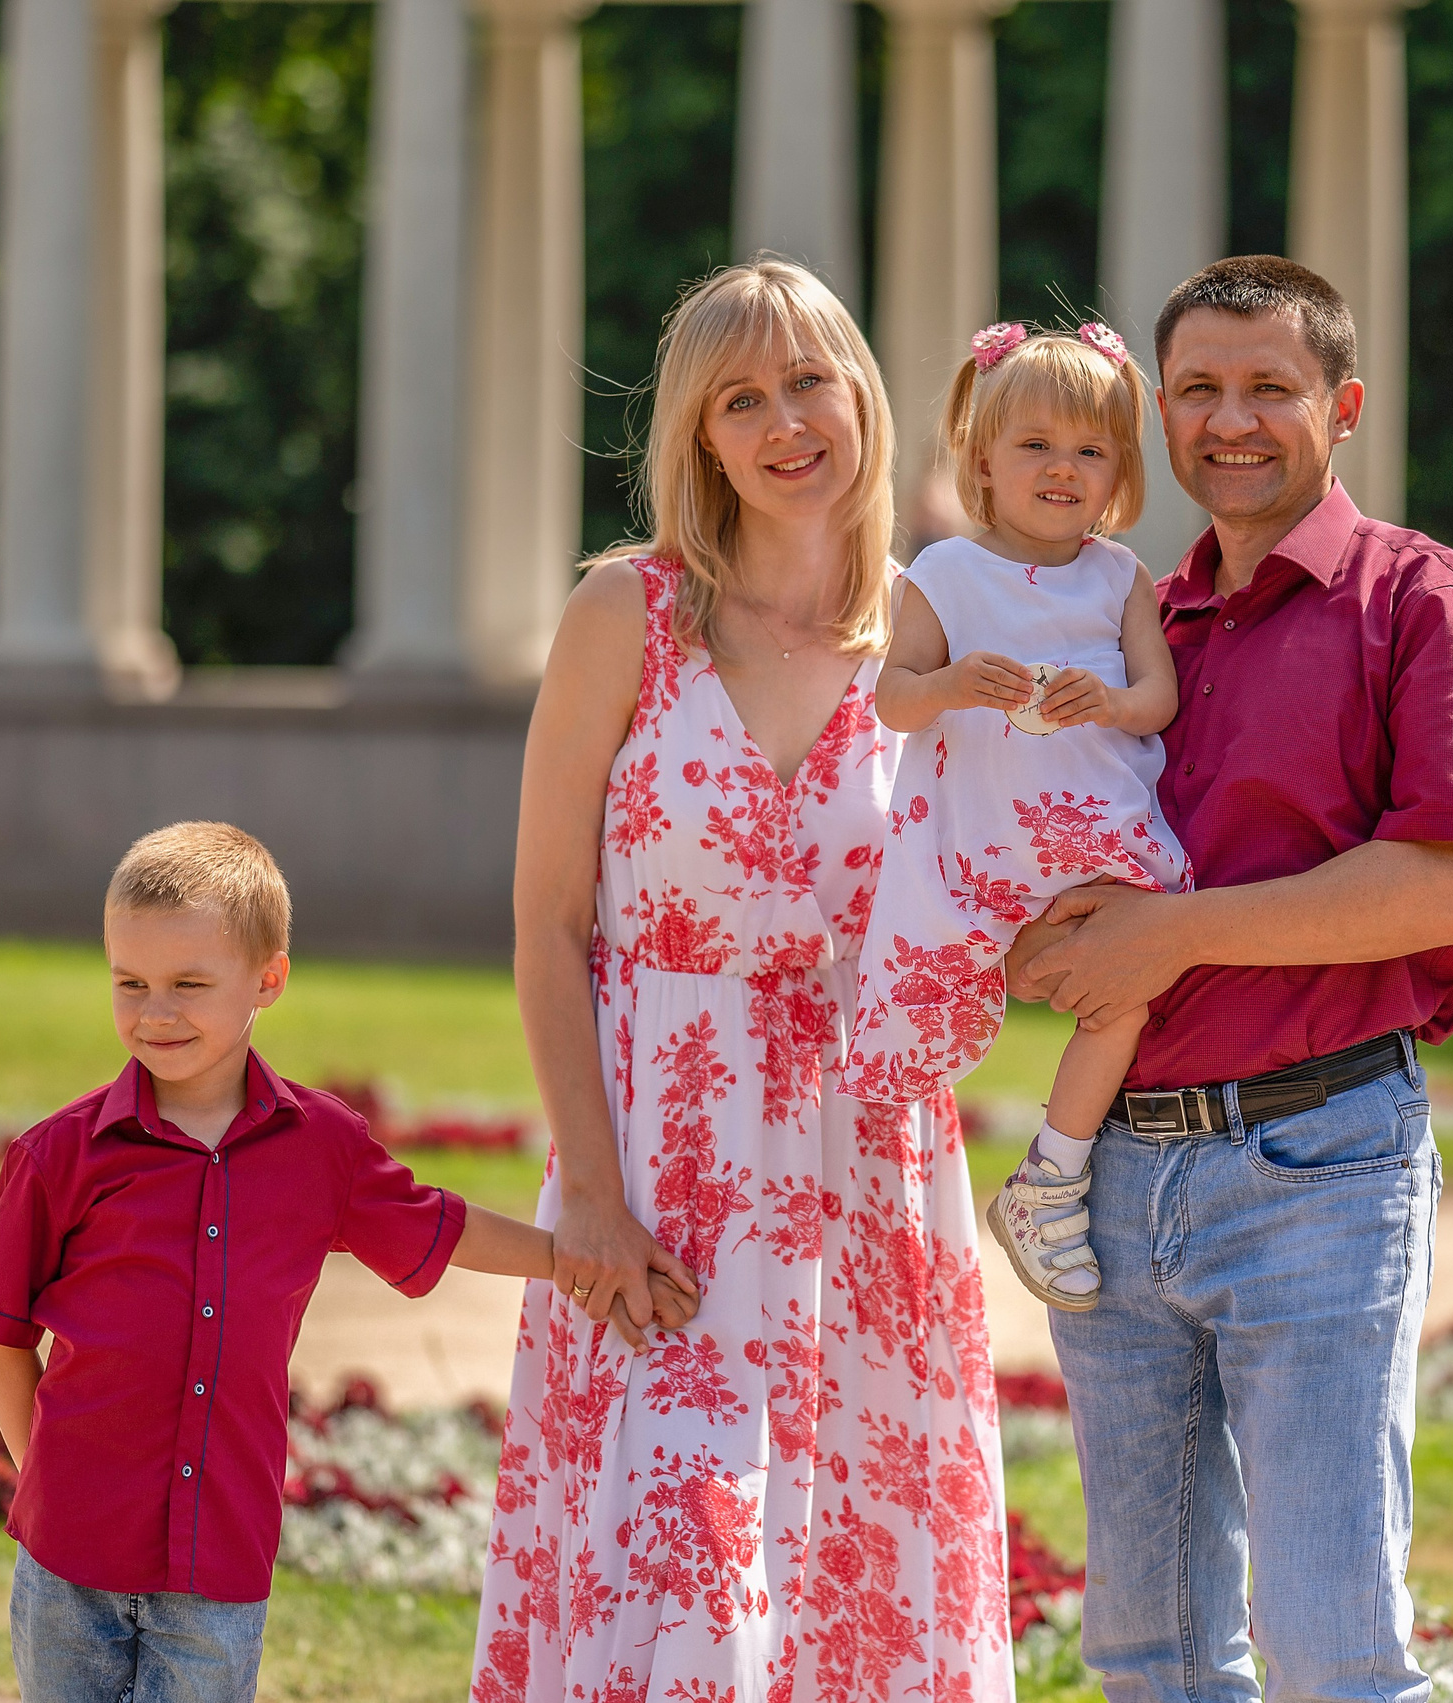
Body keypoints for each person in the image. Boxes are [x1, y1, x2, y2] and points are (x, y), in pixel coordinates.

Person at [472, 259, 1013, 1703]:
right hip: (665, 1178)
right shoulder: (625, 615)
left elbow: (1001, 875)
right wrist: (587, 1185)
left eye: (810, 381)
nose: (786, 421)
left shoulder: (930, 624)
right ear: (697, 436)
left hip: (872, 1183)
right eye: (740, 397)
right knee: (686, 1551)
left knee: (856, 1589)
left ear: (864, 399)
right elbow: (548, 921)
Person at [1010, 257, 1453, 1702]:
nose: (1230, 420)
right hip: (1115, 1177)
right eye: (1197, 389)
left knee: (1332, 1646)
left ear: (1343, 405)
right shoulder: (1128, 624)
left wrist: (1174, 932)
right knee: (1151, 1651)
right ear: (1160, 413)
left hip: (1320, 1161)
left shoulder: (1432, 606)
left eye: (1269, 388)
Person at [0, 821, 633, 1703]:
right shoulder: (58, 1156)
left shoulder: (321, 1148)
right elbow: (0, 1339)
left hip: (219, 1569)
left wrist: (566, 1256)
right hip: (66, 1570)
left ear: (267, 978)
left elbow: (435, 1223)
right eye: (131, 983)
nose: (154, 1012)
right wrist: (49, 1484)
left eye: (188, 984)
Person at [840, 319, 1191, 1312]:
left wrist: (1112, 703)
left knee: (1123, 989)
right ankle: (872, 1203)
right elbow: (892, 701)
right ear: (981, 459)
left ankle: (1052, 1172)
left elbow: (1157, 696)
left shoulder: (1120, 575)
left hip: (1091, 829)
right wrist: (951, 679)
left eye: (1090, 450)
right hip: (984, 839)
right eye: (1036, 444)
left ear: (1119, 471)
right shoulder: (945, 572)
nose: (1062, 467)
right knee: (927, 1002)